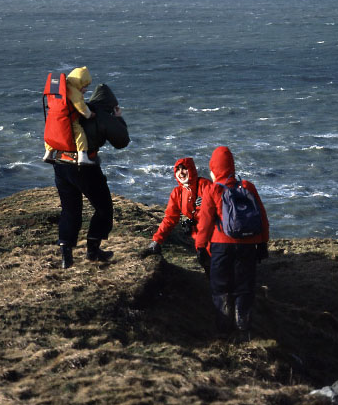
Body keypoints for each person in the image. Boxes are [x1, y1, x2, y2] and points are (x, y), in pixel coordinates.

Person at [196, 146, 269, 339]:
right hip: (248, 245)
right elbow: (262, 216)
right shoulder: (247, 186)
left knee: (221, 288)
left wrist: (200, 247)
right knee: (244, 287)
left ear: (214, 169)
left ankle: (223, 330)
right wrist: (262, 242)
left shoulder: (212, 190)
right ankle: (243, 329)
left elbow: (204, 223)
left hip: (221, 246)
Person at [52, 99, 127, 269]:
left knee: (70, 209)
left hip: (61, 164)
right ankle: (93, 251)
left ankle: (66, 257)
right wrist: (118, 118)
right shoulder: (101, 115)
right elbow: (122, 140)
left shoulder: (74, 110)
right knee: (103, 208)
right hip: (84, 167)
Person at [140, 158, 213, 275]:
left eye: (184, 168)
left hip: (215, 235)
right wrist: (156, 241)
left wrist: (207, 203)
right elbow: (170, 218)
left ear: (191, 169)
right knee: (205, 262)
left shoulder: (205, 185)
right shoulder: (177, 193)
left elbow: (220, 207)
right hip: (199, 238)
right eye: (178, 170)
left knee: (217, 264)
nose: (181, 172)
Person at [44, 66, 96, 165]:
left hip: (53, 117)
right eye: (84, 86)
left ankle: (48, 154)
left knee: (52, 133)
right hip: (68, 118)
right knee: (79, 132)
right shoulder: (73, 91)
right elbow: (80, 106)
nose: (85, 89)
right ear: (79, 83)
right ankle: (82, 156)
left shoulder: (61, 87)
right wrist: (89, 115)